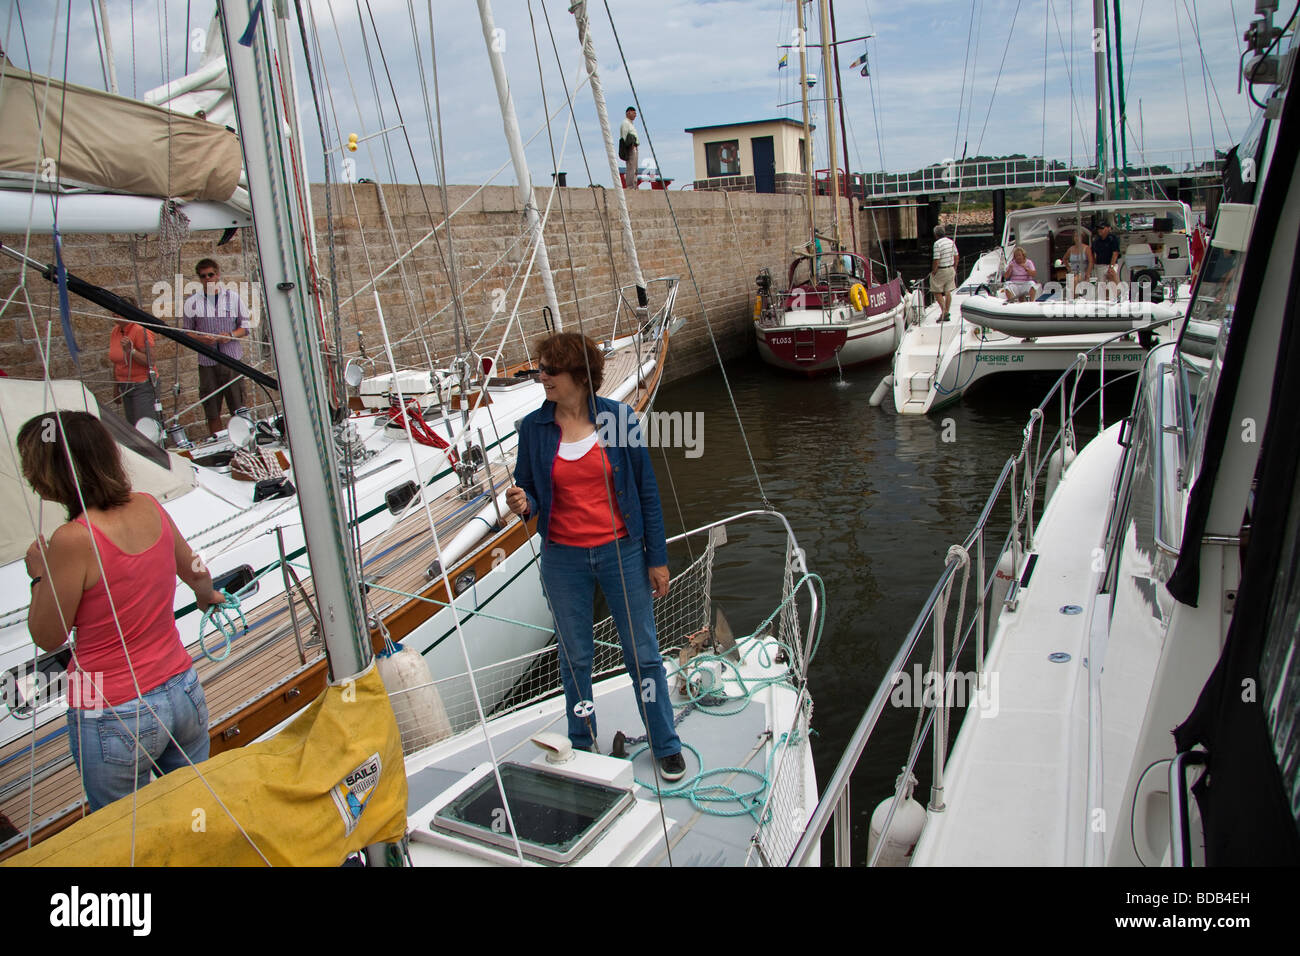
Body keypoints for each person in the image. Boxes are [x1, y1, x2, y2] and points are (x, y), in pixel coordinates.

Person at [19, 411, 224, 812]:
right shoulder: (149, 506)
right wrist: (206, 596)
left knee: (124, 837)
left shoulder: (72, 539)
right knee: (194, 813)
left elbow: (48, 635)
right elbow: (197, 570)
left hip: (113, 712)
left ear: (53, 472)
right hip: (182, 691)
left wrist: (39, 574)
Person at [506, 333, 686, 782]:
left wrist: (656, 558)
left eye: (551, 370)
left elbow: (646, 492)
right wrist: (524, 502)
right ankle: (583, 740)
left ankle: (664, 742)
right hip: (562, 558)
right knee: (575, 658)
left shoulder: (619, 419)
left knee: (642, 654)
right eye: (541, 368)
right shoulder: (533, 428)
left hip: (621, 553)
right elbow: (527, 485)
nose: (541, 376)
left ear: (580, 376)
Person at [182, 258, 250, 438]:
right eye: (203, 276)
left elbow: (245, 327)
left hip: (231, 360)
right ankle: (219, 443)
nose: (208, 279)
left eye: (211, 275)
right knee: (211, 409)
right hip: (207, 362)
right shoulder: (192, 302)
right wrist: (201, 339)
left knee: (238, 406)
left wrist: (230, 336)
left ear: (218, 275)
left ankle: (243, 441)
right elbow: (186, 333)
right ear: (199, 279)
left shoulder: (233, 298)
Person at [106, 295, 161, 428]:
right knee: (134, 427)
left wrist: (132, 351)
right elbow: (116, 362)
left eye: (118, 311)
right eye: (113, 310)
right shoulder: (116, 331)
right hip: (125, 386)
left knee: (145, 426)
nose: (114, 314)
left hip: (142, 385)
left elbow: (151, 360)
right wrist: (116, 387)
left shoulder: (140, 330)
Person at [930, 225, 959, 321]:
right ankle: (946, 312)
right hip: (951, 269)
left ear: (935, 234)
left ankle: (945, 312)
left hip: (941, 270)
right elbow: (956, 256)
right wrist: (954, 267)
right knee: (948, 291)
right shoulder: (951, 242)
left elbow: (936, 259)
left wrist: (934, 271)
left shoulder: (937, 244)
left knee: (936, 290)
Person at [1091, 221, 1121, 302]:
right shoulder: (1096, 241)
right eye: (1099, 229)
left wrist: (1111, 267)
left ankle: (1118, 296)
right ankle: (1101, 300)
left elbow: (1115, 253)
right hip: (1100, 265)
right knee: (1101, 284)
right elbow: (1093, 253)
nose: (1100, 230)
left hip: (1111, 264)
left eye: (1102, 228)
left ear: (1108, 228)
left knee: (1112, 277)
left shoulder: (1113, 239)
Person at [1065, 229, 1094, 298]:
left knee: (1075, 280)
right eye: (1075, 236)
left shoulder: (1086, 248)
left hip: (1083, 272)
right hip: (1073, 272)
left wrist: (1088, 273)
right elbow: (1064, 259)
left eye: (1078, 236)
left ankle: (1075, 297)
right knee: (1072, 278)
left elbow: (1091, 262)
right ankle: (1072, 297)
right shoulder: (1070, 249)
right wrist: (1068, 268)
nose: (1077, 238)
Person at [619, 106, 639, 189]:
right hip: (630, 148)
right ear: (628, 113)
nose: (635, 115)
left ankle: (634, 185)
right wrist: (629, 148)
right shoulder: (625, 123)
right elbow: (624, 137)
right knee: (631, 167)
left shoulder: (630, 123)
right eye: (634, 112)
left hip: (634, 147)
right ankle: (630, 186)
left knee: (635, 168)